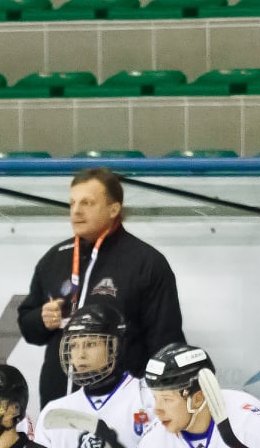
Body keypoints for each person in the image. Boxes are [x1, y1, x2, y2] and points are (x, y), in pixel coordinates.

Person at [17, 167, 185, 404]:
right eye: (72, 203)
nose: (76, 211)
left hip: (121, 405)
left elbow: (165, 342)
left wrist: (155, 401)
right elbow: (28, 326)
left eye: (87, 203)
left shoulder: (146, 262)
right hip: (58, 400)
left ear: (114, 209)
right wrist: (41, 320)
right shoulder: (54, 259)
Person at [37, 302, 158, 448]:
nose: (80, 355)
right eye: (74, 345)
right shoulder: (54, 413)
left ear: (116, 346)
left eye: (91, 344)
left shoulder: (149, 399)